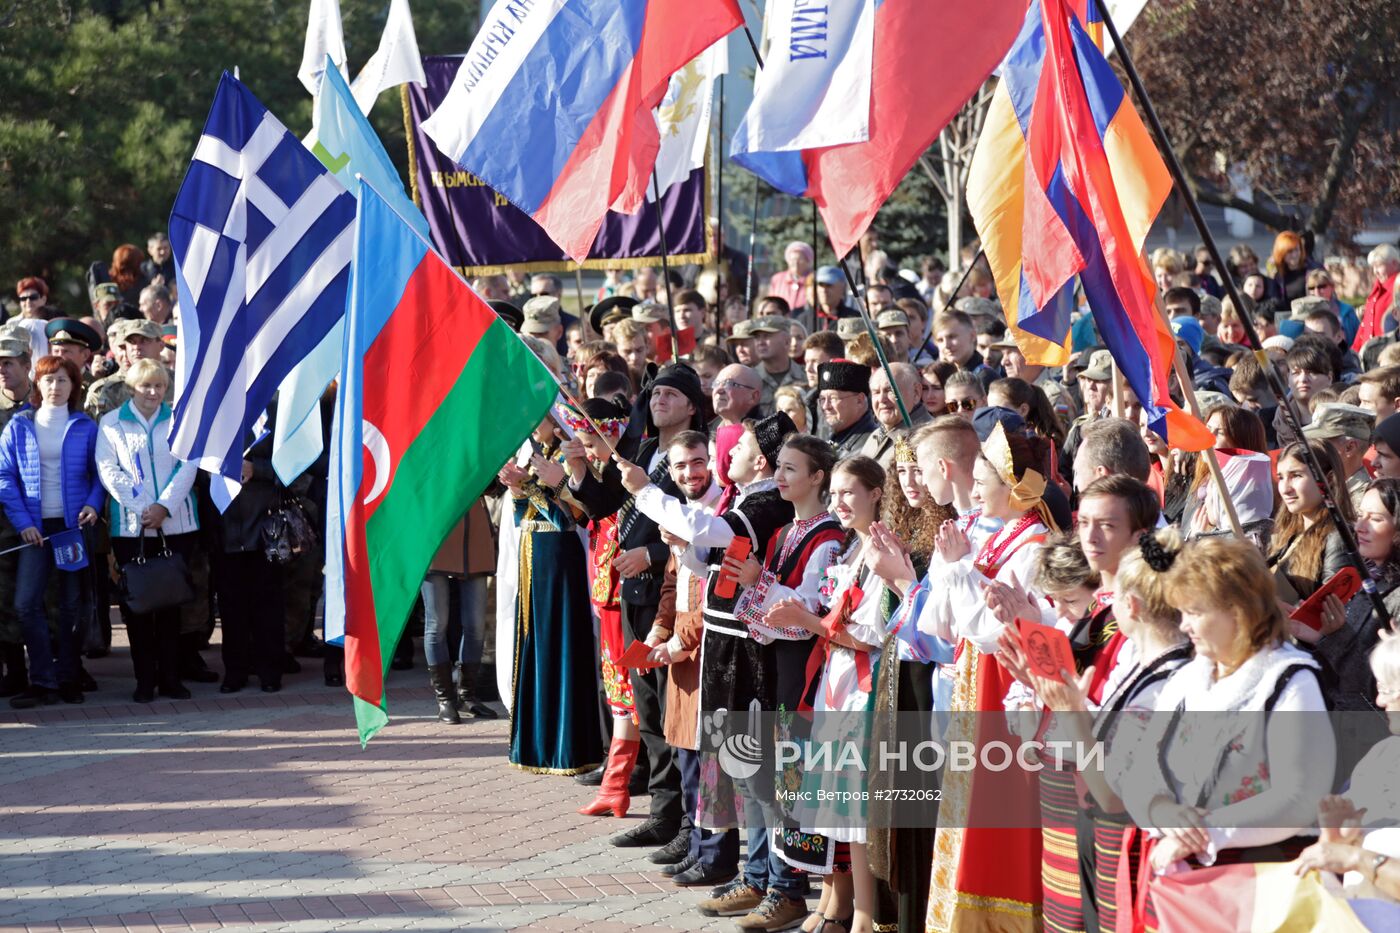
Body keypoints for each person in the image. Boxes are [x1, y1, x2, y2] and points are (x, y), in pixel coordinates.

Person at [1126, 536, 1334, 887]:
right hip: (1178, 884)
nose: (1184, 626)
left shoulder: (1289, 682)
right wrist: (1162, 810)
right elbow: (1143, 767)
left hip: (1255, 889)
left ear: (1238, 611)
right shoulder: (1189, 678)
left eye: (1194, 613)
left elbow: (1299, 797)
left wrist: (1205, 830)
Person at [1020, 529, 1192, 932]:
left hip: (1131, 842)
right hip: (1115, 835)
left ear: (1130, 605)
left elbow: (1111, 793)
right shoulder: (1146, 664)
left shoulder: (1165, 680)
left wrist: (1074, 719)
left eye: (1111, 596)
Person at [721, 434, 844, 932]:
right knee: (765, 775)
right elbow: (761, 612)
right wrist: (759, 588)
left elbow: (805, 613)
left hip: (803, 666)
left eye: (792, 469)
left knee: (795, 780)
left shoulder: (828, 538)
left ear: (818, 477)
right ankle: (771, 878)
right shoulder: (783, 534)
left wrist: (760, 583)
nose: (780, 476)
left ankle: (792, 886)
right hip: (772, 662)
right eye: (780, 467)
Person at [763, 456, 889, 933]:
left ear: (876, 493)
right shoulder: (850, 548)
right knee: (836, 802)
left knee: (853, 807)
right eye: (834, 493)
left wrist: (806, 622)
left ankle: (864, 915)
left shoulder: (878, 550)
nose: (839, 502)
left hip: (862, 683)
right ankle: (836, 903)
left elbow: (871, 635)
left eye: (848, 493)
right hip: (837, 679)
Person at [497, 419, 605, 775]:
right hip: (532, 557)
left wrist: (528, 485)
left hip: (560, 560)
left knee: (558, 645)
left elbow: (568, 519)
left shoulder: (569, 455)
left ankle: (567, 746)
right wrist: (517, 490)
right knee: (532, 643)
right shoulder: (534, 453)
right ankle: (535, 742)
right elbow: (522, 517)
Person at [0, 357, 104, 708]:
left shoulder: (85, 426)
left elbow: (98, 475)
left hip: (71, 530)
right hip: (34, 531)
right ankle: (42, 679)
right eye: (48, 380)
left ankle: (68, 677)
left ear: (74, 386)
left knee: (72, 605)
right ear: (37, 384)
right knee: (26, 604)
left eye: (62, 381)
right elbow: (5, 477)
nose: (55, 387)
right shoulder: (18, 425)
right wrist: (24, 524)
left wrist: (93, 504)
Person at [93, 359, 198, 703]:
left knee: (170, 605)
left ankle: (171, 678)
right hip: (132, 528)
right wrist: (143, 508)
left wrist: (164, 506)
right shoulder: (110, 424)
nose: (153, 393)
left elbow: (188, 464)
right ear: (131, 388)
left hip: (176, 523)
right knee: (138, 606)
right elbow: (109, 471)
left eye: (159, 386)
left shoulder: (180, 420)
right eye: (146, 386)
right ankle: (144, 680)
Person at [1291, 634, 1400, 903]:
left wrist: (1355, 857)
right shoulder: (1383, 754)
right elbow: (1340, 850)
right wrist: (1336, 839)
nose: (1380, 701)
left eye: (1387, 689)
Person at [1301, 479, 1400, 712]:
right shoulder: (1362, 576)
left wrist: (1336, 637)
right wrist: (1314, 635)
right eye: (1360, 515)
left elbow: (1379, 683)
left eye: (1376, 519)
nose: (1359, 527)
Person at [1270, 439, 1353, 605]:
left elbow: (1331, 611)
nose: (1285, 489)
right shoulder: (1288, 531)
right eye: (1281, 478)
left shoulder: (1338, 537)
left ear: (1328, 479)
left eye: (1296, 476)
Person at [0, 337, 32, 696]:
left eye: (9, 362)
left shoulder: (49, 399)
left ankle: (59, 670)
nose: (2, 369)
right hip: (4, 522)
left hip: (47, 517)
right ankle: (14, 671)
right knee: (5, 598)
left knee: (53, 599)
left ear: (26, 363)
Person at [860, 362, 930, 468]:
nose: (881, 400)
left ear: (916, 392)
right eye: (876, 392)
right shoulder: (875, 436)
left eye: (890, 390)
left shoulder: (928, 437)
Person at [817, 361, 877, 458]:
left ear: (859, 400)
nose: (825, 406)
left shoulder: (871, 446)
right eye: (822, 399)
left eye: (833, 398)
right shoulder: (826, 438)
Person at [752, 316, 806, 413]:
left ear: (787, 342)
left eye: (767, 336)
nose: (760, 342)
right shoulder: (749, 379)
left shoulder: (806, 376)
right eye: (757, 337)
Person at [769, 241, 815, 321]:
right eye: (792, 259)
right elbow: (770, 302)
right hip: (780, 320)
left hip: (805, 321)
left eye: (800, 259)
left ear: (808, 261)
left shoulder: (813, 279)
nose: (796, 263)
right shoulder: (777, 279)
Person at [711, 363, 764, 433]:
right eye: (716, 383)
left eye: (729, 383)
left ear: (753, 396)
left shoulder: (767, 435)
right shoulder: (708, 433)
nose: (718, 390)